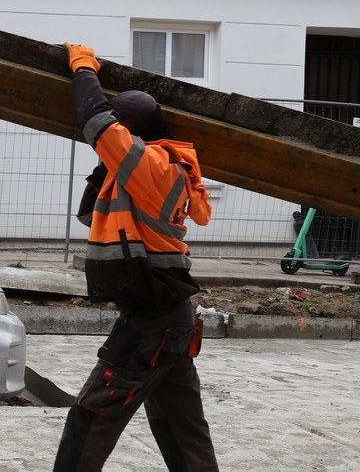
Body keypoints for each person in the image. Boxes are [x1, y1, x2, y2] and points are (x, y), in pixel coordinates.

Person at [55, 43, 218, 472]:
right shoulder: (146, 171)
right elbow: (91, 213)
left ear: (131, 131)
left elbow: (96, 121)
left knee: (91, 416)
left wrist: (83, 67)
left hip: (151, 322)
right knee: (183, 430)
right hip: (169, 319)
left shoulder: (154, 168)